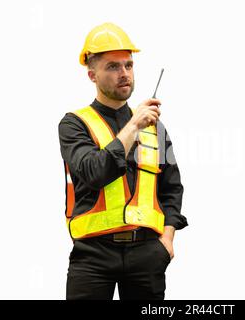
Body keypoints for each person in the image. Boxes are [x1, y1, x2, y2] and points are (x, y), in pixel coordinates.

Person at [58, 22, 188, 300]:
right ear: (92, 75)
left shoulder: (154, 128)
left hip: (147, 254)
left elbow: (171, 189)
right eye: (113, 67)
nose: (124, 74)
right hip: (92, 256)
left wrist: (167, 240)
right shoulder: (74, 124)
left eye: (128, 65)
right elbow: (93, 172)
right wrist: (133, 127)